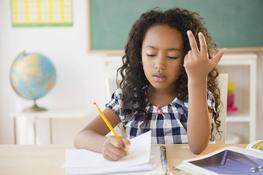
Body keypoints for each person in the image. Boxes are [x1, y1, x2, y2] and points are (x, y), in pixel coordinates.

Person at [74, 7, 224, 160]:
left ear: (186, 59)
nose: (159, 64)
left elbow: (198, 147)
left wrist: (198, 80)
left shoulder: (197, 96)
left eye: (172, 56)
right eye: (151, 54)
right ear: (139, 55)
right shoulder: (127, 98)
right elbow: (82, 137)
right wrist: (104, 145)